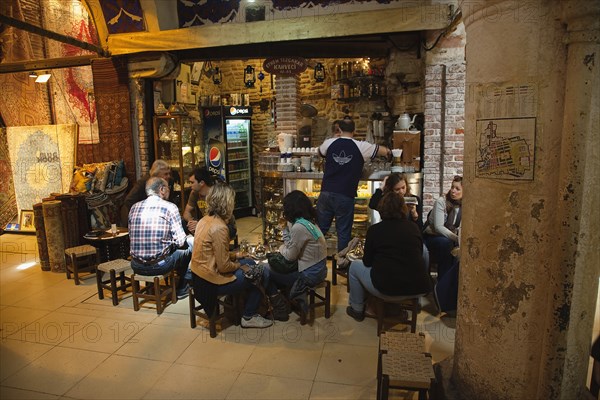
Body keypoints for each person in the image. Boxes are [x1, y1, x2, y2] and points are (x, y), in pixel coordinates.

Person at [190, 182, 272, 329]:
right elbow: (224, 267)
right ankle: (249, 315)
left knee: (250, 263)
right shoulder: (220, 227)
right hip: (211, 283)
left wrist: (237, 256)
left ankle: (240, 305)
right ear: (227, 203)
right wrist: (239, 265)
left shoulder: (204, 220)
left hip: (198, 277)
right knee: (261, 271)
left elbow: (211, 255)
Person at [346, 192, 431, 321]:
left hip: (386, 289)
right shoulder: (413, 228)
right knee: (424, 252)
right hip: (418, 288)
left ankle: (357, 309)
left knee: (354, 267)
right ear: (403, 208)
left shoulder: (375, 230)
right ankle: (416, 303)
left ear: (381, 209)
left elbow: (367, 262)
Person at [317, 116, 391, 255]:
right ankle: (342, 263)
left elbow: (319, 152)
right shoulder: (362, 146)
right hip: (345, 195)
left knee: (319, 231)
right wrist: (391, 154)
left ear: (338, 128)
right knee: (343, 234)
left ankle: (312, 261)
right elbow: (384, 151)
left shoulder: (329, 142)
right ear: (354, 131)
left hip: (326, 192)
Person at [266, 190, 328, 320]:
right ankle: (287, 297)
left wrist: (280, 247)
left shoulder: (299, 227)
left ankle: (281, 305)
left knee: (266, 271)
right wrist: (286, 229)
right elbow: (292, 247)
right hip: (320, 270)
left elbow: (289, 256)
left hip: (309, 275)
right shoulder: (309, 222)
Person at [128, 177, 191, 300]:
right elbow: (180, 242)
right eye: (168, 187)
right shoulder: (170, 207)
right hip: (160, 266)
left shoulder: (134, 207)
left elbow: (132, 236)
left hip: (136, 265)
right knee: (188, 249)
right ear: (162, 189)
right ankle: (182, 288)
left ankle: (153, 287)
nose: (169, 190)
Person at [423, 175, 463, 313]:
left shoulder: (465, 206)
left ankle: (447, 291)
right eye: (452, 187)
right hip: (431, 237)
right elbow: (439, 227)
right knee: (447, 245)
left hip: (448, 240)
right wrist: (456, 239)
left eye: (457, 188)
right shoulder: (442, 201)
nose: (453, 191)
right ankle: (442, 288)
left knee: (455, 252)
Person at [183, 167, 237, 239]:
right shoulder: (194, 193)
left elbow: (223, 219)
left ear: (202, 183)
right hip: (207, 223)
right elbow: (186, 212)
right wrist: (191, 222)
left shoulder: (216, 194)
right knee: (183, 224)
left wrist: (200, 225)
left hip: (225, 225)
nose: (190, 185)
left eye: (192, 182)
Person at [120, 160, 173, 227]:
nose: (168, 176)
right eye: (165, 174)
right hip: (140, 217)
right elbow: (129, 200)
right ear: (156, 174)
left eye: (169, 174)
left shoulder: (169, 182)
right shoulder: (143, 183)